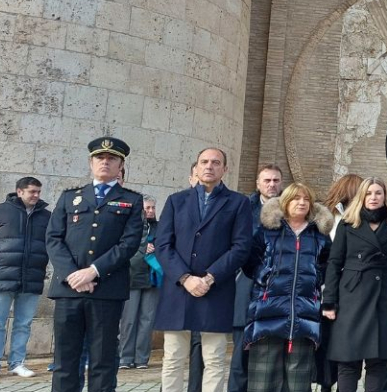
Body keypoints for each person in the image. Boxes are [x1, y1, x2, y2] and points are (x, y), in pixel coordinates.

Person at [46, 137, 145, 392]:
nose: (105, 162)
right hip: (69, 290)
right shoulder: (70, 197)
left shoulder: (132, 201)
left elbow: (129, 243)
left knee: (103, 359)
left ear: (120, 165)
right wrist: (72, 275)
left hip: (106, 290)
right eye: (100, 158)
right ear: (91, 163)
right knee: (65, 359)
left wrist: (93, 272)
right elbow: (54, 238)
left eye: (112, 158)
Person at [154, 147, 254, 392]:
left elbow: (241, 247)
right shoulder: (176, 201)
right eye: (204, 162)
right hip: (178, 289)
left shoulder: (238, 202)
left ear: (225, 169)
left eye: (216, 162)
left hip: (216, 289)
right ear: (196, 168)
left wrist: (210, 278)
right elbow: (163, 244)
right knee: (174, 359)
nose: (209, 166)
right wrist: (185, 277)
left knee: (215, 359)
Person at [322, 177, 387, 392]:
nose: (373, 197)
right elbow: (334, 263)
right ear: (362, 196)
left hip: (384, 298)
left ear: (385, 197)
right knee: (348, 362)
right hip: (351, 298)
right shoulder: (347, 224)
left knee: (378, 362)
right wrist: (329, 301)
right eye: (369, 193)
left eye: (378, 193)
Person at [243, 183, 333, 392]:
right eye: (295, 198)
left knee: (299, 382)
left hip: (304, 312)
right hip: (267, 310)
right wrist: (264, 275)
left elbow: (330, 263)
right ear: (285, 202)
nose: (301, 203)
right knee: (263, 380)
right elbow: (249, 260)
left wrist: (316, 278)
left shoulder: (318, 235)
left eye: (306, 199)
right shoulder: (267, 230)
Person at [0, 176, 51, 379]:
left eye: (38, 192)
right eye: (32, 191)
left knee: (23, 323)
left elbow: (53, 242)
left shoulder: (46, 216)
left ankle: (17, 363)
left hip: (31, 275)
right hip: (1, 275)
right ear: (19, 192)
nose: (36, 195)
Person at [231, 163, 284, 392]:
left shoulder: (291, 209)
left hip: (278, 285)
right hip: (247, 279)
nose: (271, 184)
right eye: (267, 180)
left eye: (275, 180)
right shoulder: (243, 208)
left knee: (275, 351)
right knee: (241, 348)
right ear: (258, 184)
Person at [315, 173, 363, 391]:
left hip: (351, 292)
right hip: (328, 291)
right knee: (326, 341)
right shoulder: (327, 219)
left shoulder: (361, 219)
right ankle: (327, 383)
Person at [119, 195, 162, 370]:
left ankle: (141, 358)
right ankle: (125, 357)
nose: (150, 211)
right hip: (132, 277)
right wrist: (143, 248)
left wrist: (156, 248)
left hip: (152, 279)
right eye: (147, 208)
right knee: (128, 320)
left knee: (147, 320)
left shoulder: (160, 227)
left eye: (152, 208)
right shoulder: (130, 227)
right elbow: (124, 249)